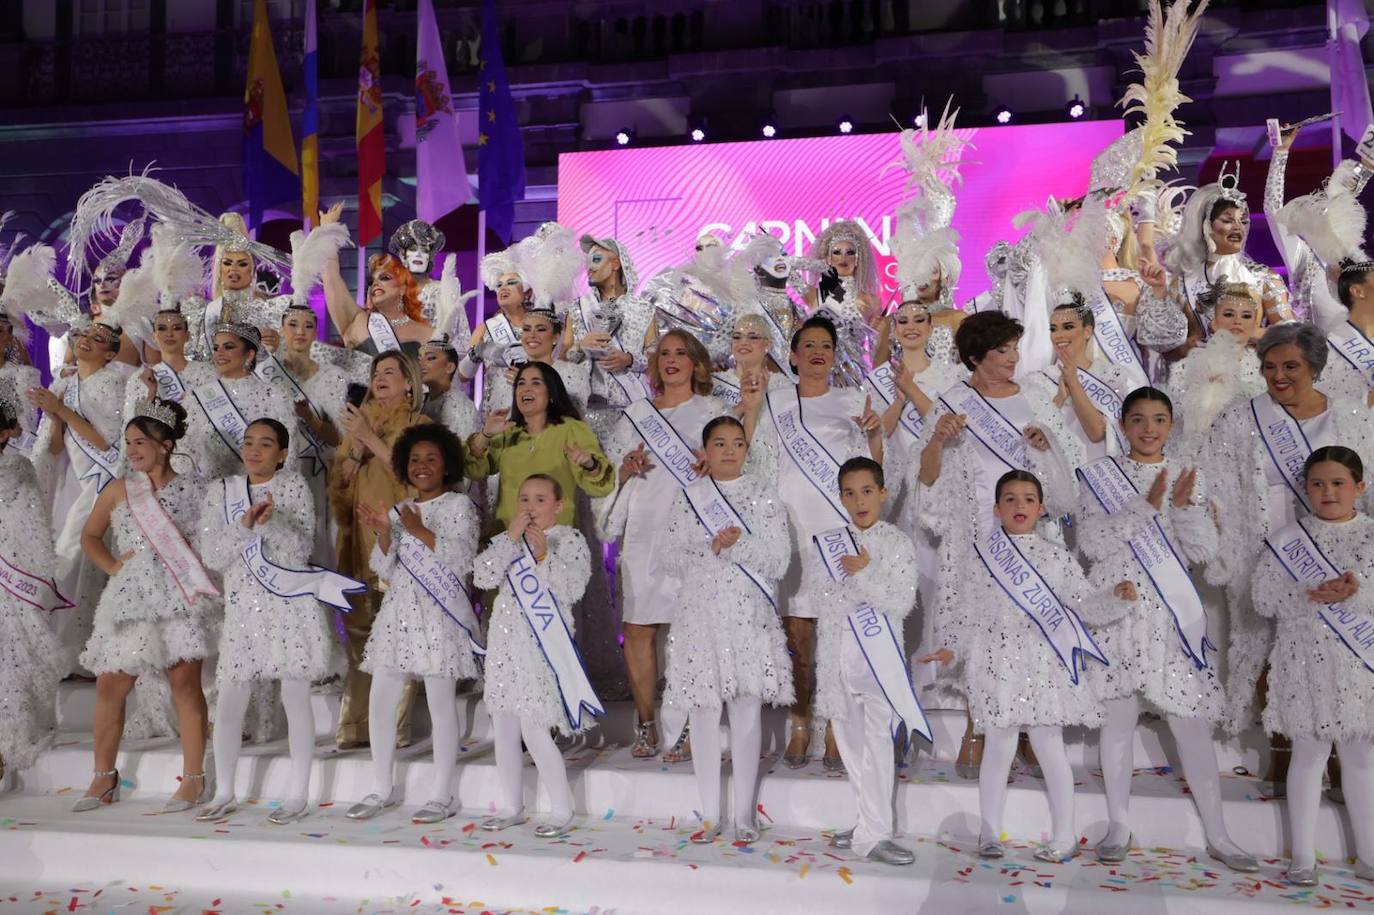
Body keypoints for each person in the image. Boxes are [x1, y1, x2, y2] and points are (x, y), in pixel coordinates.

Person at [1076, 387, 1258, 871]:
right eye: (1138, 420)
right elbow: (1093, 542)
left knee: (1191, 725)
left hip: (1171, 615)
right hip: (1119, 611)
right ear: (1123, 423)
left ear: (1172, 424)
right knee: (1117, 724)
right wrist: (1145, 507)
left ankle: (1219, 833)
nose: (1149, 429)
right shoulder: (1100, 476)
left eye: (1159, 419)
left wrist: (1182, 509)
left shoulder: (1187, 477)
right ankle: (1118, 824)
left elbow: (1201, 552)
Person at [925, 470, 1135, 862]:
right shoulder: (981, 556)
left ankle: (1064, 835)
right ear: (996, 508)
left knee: (1049, 747)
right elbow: (966, 612)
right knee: (998, 747)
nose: (1019, 506)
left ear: (1040, 509)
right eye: (1010, 499)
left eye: (1027, 499)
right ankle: (989, 833)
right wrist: (951, 650)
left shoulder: (1057, 557)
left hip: (1043, 668)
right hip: (996, 666)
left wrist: (1114, 597)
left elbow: (1084, 604)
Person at [1203, 323, 1374, 788]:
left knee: (1341, 654)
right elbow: (1215, 485)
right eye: (1269, 367)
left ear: (1314, 367)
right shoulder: (1241, 418)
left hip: (1340, 549)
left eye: (1291, 366)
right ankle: (1283, 754)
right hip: (1266, 548)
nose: (1278, 376)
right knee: (1271, 649)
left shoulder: (1352, 417)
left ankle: (1341, 760)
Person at [912, 310, 1081, 776]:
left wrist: (1046, 448)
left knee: (1030, 633)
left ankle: (1027, 729)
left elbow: (1066, 483)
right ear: (975, 356)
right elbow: (924, 482)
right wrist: (937, 442)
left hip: (1029, 536)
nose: (1011, 358)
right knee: (978, 631)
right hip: (976, 538)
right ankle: (976, 729)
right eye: (1002, 350)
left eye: (1013, 349)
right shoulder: (950, 402)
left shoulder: (1037, 400)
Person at [743, 314, 883, 771]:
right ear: (793, 354)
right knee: (798, 640)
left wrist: (877, 436)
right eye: (810, 345)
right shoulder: (774, 401)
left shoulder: (853, 400)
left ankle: (836, 729)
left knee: (840, 640)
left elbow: (872, 471)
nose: (819, 352)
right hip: (791, 533)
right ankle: (801, 724)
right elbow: (751, 460)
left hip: (838, 535)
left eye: (827, 345)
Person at [73, 398, 215, 814]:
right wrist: (115, 566)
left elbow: (209, 541)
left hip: (178, 594)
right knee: (109, 684)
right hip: (130, 597)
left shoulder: (194, 489)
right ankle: (103, 775)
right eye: (128, 442)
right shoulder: (119, 489)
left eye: (140, 442)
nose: (132, 450)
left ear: (166, 444)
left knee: (185, 686)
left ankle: (193, 778)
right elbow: (90, 537)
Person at [659, 416, 793, 843]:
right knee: (702, 712)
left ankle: (744, 814)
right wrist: (711, 547)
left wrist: (739, 545)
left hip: (749, 615)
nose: (730, 450)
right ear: (705, 450)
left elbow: (779, 560)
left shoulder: (764, 495)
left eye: (737, 443)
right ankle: (710, 813)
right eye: (719, 443)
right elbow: (670, 558)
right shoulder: (689, 497)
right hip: (699, 617)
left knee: (746, 712)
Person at [598, 330, 729, 761]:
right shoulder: (634, 414)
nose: (671, 360)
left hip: (693, 534)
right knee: (638, 629)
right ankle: (646, 722)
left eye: (680, 353)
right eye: (664, 354)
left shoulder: (713, 411)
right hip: (643, 533)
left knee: (688, 631)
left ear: (697, 363)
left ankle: (691, 722)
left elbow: (737, 467)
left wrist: (715, 465)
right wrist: (625, 469)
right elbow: (611, 479)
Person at [195, 419, 333, 825]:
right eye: (249, 442)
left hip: (288, 603)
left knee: (294, 696)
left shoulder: (293, 488)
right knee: (231, 698)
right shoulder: (222, 492)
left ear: (283, 453)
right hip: (242, 608)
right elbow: (213, 555)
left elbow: (301, 548)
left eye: (266, 444)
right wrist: (245, 526)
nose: (255, 450)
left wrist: (272, 522)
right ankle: (224, 790)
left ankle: (297, 793)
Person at [348, 425, 482, 824]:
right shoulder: (398, 509)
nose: (422, 466)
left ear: (446, 465)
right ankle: (381, 787)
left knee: (441, 706)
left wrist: (418, 530)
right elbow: (383, 568)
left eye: (431, 459)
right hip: (399, 615)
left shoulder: (460, 508)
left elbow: (461, 561)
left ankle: (443, 794)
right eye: (415, 459)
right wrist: (386, 534)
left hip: (440, 616)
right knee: (381, 702)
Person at [1253, 447, 1374, 886]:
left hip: (1358, 664)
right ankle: (1302, 855)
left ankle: (1369, 853)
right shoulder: (1288, 539)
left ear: (1359, 487)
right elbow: (1263, 598)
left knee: (1360, 757)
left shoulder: (1371, 536)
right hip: (1302, 662)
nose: (1328, 492)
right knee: (1308, 754)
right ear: (1305, 489)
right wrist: (1313, 591)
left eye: (1338, 483)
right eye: (1318, 484)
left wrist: (1354, 594)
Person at [808, 457, 920, 865]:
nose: (859, 501)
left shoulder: (896, 543)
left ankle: (876, 834)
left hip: (880, 664)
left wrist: (865, 574)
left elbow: (900, 600)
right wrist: (854, 582)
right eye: (850, 493)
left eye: (867, 491)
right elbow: (820, 597)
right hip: (840, 662)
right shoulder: (829, 542)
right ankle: (867, 824)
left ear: (883, 493)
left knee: (877, 748)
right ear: (840, 497)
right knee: (853, 751)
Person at [473, 474, 594, 838]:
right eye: (524, 499)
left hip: (543, 650)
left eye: (540, 499)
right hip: (505, 648)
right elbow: (482, 577)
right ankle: (511, 805)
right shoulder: (506, 542)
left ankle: (561, 808)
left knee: (536, 729)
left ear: (558, 505)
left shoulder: (569, 540)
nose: (530, 507)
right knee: (504, 728)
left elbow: (572, 589)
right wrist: (510, 539)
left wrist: (543, 557)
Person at [328, 351, 430, 750]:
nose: (380, 378)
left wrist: (371, 439)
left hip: (399, 547)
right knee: (357, 637)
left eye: (390, 372)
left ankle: (393, 729)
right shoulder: (358, 427)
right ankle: (355, 728)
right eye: (376, 372)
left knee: (399, 640)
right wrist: (353, 454)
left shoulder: (419, 425)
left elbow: (417, 480)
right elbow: (338, 495)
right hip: (356, 545)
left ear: (409, 383)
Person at [27, 318, 128, 671]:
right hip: (73, 479)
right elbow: (55, 447)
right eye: (84, 334)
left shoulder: (114, 383)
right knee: (65, 556)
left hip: (101, 480)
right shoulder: (64, 383)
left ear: (111, 353)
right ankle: (63, 648)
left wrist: (62, 411)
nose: (86, 340)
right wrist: (54, 417)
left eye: (98, 339)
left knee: (74, 556)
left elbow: (111, 446)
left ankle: (77, 650)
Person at [466, 362, 614, 534]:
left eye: (536, 383)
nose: (526, 389)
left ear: (551, 393)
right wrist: (485, 434)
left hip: (553, 544)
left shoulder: (571, 430)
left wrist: (590, 465)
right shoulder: (509, 432)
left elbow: (602, 486)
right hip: (509, 542)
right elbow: (472, 470)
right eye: (521, 383)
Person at [0, 396, 64, 790]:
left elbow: (33, 528)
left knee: (12, 665)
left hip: (10, 586)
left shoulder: (17, 469)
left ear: (7, 432)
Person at [1161, 170, 1291, 360]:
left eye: (1243, 221)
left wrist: (1248, 333)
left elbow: (1290, 334)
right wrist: (1196, 346)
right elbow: (1169, 351)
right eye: (1228, 220)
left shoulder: (1263, 277)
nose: (1238, 227)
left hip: (1253, 378)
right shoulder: (1181, 284)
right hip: (1201, 379)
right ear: (1206, 225)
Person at [266, 304, 349, 564]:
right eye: (292, 325)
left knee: (321, 540)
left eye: (308, 326)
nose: (300, 331)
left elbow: (340, 438)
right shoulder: (268, 374)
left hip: (321, 474)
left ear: (315, 333)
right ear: (281, 330)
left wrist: (311, 420)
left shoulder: (334, 377)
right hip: (279, 473)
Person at [563, 235, 657, 439]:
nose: (589, 267)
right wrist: (580, 346)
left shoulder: (644, 309)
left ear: (616, 263)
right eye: (588, 262)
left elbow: (657, 360)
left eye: (596, 260)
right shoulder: (577, 309)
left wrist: (629, 359)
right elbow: (560, 359)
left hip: (630, 407)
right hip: (583, 409)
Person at [183, 323, 297, 481]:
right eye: (216, 348)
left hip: (264, 492)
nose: (219, 354)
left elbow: (288, 453)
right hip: (214, 491)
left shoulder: (275, 395)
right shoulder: (197, 398)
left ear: (250, 354)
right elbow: (186, 452)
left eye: (228, 347)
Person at [1164, 282, 1267, 448]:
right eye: (1229, 314)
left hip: (1254, 453)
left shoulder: (1267, 368)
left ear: (1255, 325)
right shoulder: (1184, 368)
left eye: (1246, 316)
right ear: (1214, 323)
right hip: (1202, 452)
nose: (1237, 321)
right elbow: (1175, 421)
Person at [321, 215, 434, 357]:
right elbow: (331, 277)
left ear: (403, 288)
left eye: (385, 278)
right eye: (371, 281)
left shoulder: (426, 333)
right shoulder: (355, 320)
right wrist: (327, 232)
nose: (375, 284)